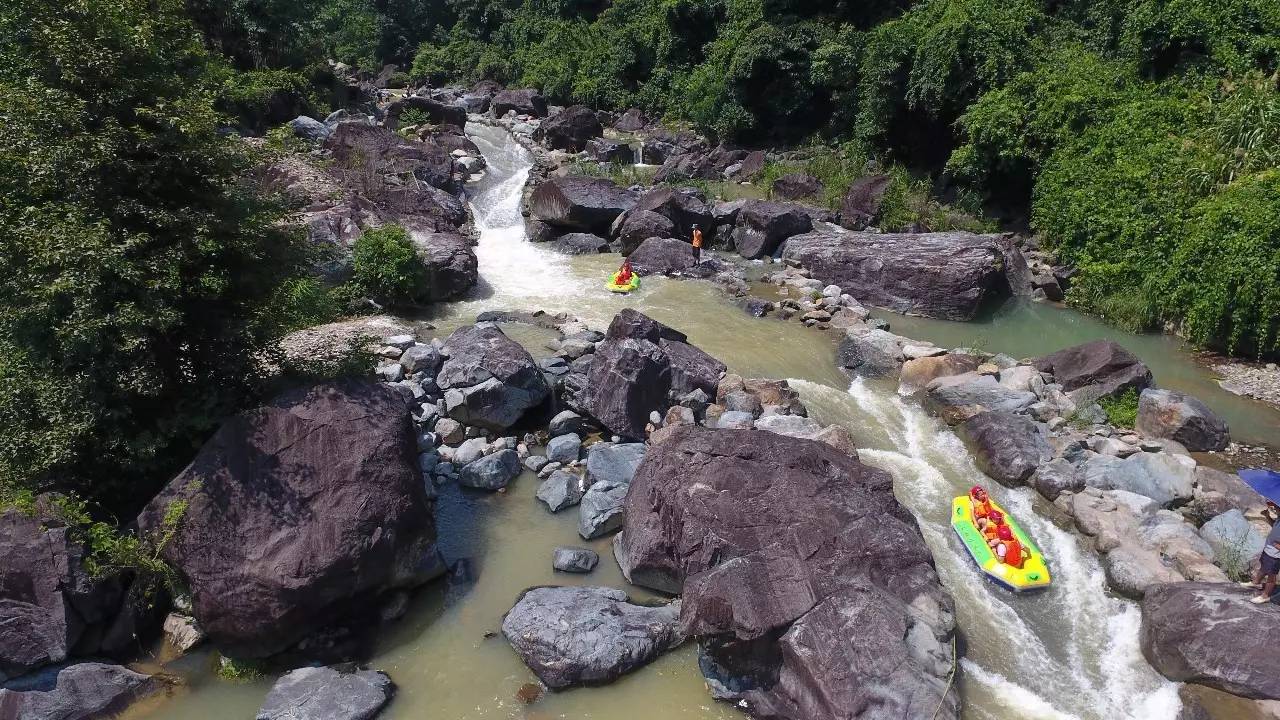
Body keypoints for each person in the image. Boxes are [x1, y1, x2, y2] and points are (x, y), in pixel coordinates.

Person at [1244, 501, 1280, 603]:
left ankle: (1265, 596)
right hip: (1268, 549)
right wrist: (1267, 516)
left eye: (1276, 508)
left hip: (1275, 555)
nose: (1275, 509)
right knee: (1263, 567)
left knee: (1271, 576)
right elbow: (1274, 526)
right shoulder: (1279, 519)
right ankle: (1256, 582)